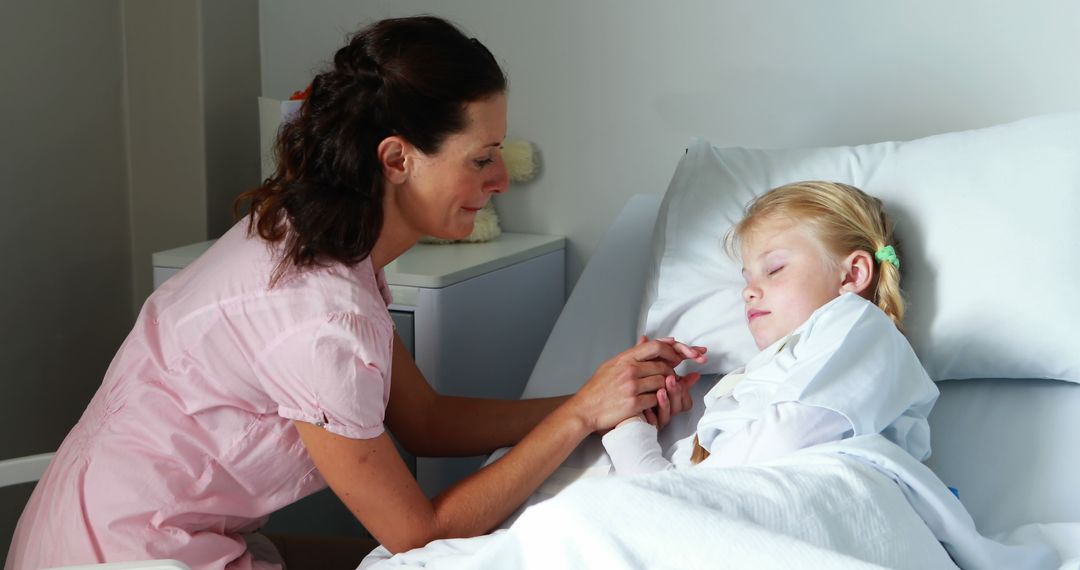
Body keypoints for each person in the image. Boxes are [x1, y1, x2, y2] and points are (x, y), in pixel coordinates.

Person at [6, 16, 705, 570]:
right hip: (125, 556)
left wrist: (598, 400)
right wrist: (580, 417)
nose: (501, 180)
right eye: (481, 157)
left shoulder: (322, 242)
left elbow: (424, 420)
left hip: (151, 533)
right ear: (397, 159)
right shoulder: (315, 316)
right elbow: (416, 532)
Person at [602, 181, 939, 474]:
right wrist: (632, 425)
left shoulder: (865, 329)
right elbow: (665, 501)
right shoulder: (746, 388)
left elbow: (789, 435)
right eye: (746, 278)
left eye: (774, 269)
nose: (748, 291)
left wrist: (674, 486)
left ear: (852, 275)